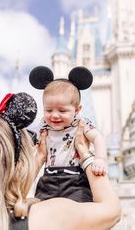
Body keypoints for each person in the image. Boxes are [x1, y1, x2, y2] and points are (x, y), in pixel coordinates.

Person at [0, 90, 121, 230]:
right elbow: (112, 211)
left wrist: (39, 157)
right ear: (19, 166)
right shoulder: (48, 216)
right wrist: (84, 153)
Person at [29, 65, 107, 202]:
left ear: (77, 110)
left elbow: (98, 138)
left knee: (79, 208)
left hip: (75, 179)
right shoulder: (44, 125)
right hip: (49, 178)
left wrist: (100, 159)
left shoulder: (80, 123)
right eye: (48, 110)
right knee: (41, 207)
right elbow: (34, 142)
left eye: (62, 111)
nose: (54, 115)